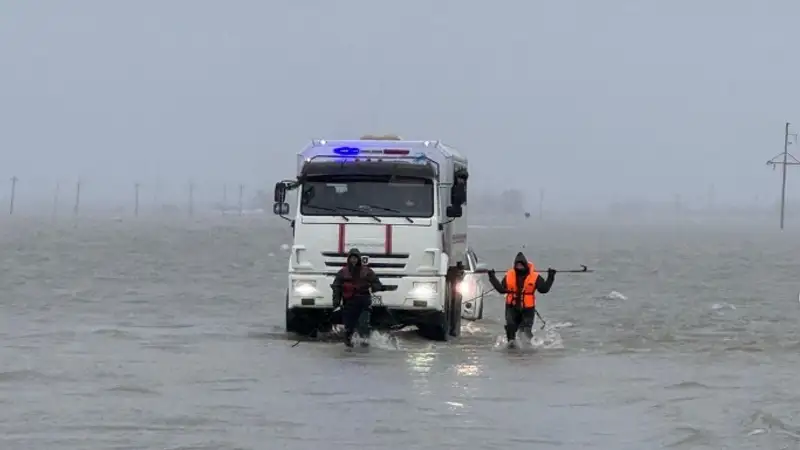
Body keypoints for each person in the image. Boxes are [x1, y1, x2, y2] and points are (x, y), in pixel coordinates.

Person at [487, 252, 556, 348]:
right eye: (517, 265)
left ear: (525, 265)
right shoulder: (509, 275)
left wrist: (551, 277)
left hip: (528, 309)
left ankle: (530, 348)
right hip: (511, 307)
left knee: (525, 331)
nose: (519, 267)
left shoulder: (535, 277)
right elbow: (501, 290)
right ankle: (511, 347)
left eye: (521, 265)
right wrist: (492, 277)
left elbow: (544, 289)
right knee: (511, 327)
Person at [331, 248, 384, 347]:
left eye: (355, 258)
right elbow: (336, 288)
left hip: (363, 302)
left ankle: (365, 344)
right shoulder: (342, 272)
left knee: (364, 325)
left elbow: (377, 283)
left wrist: (374, 287)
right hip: (349, 304)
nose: (353, 260)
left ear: (359, 259)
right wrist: (336, 303)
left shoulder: (367, 271)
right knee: (348, 327)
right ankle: (348, 345)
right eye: (351, 258)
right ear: (348, 259)